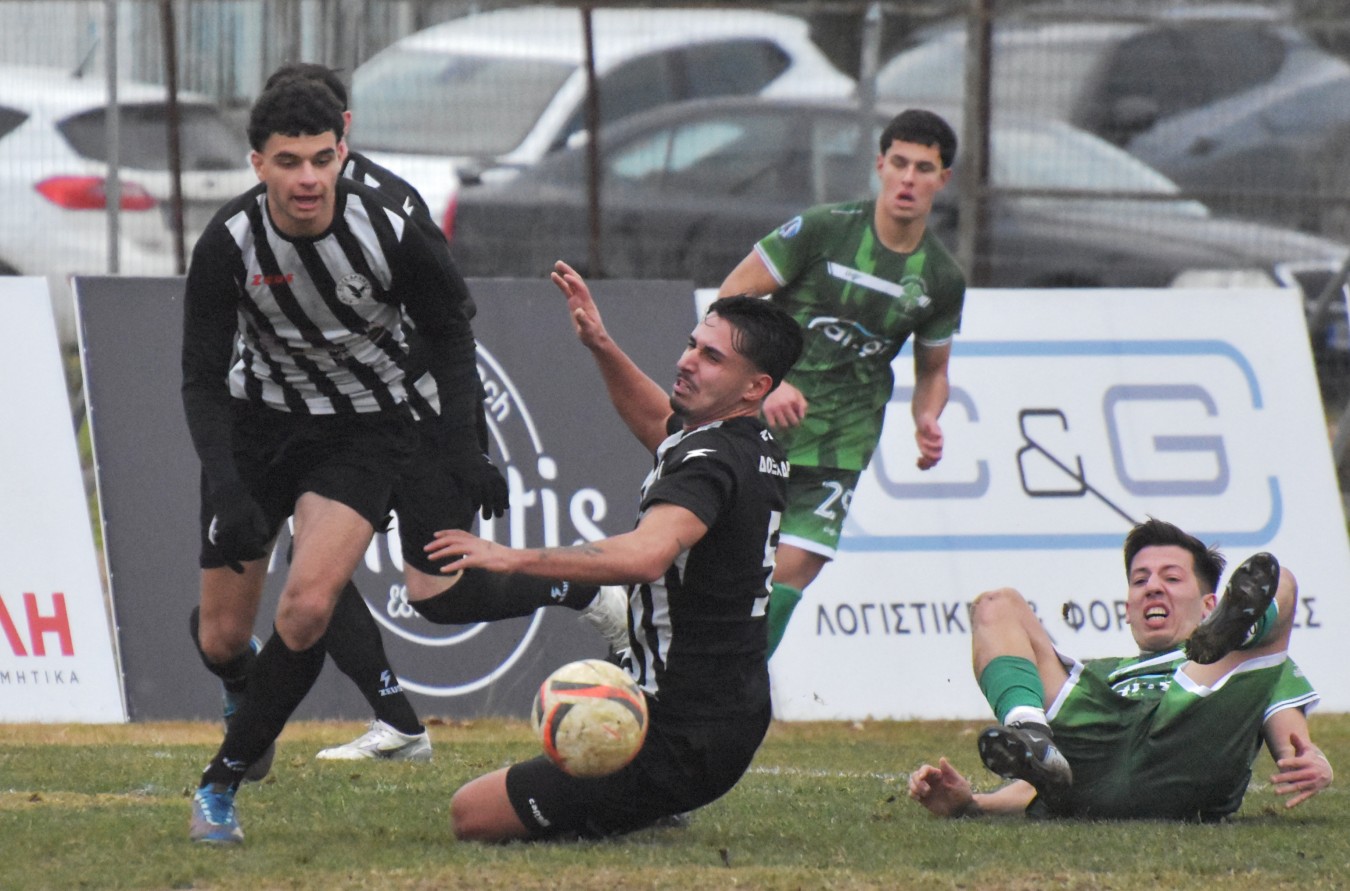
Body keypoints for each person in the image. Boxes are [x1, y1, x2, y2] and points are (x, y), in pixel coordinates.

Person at [182, 77, 484, 843]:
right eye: (289, 162)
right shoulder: (227, 241)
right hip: (258, 429)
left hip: (362, 432)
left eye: (322, 158)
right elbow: (201, 379)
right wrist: (227, 485)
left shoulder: (391, 229)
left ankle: (219, 786)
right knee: (221, 637)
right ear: (258, 164)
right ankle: (245, 687)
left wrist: (467, 448)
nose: (308, 178)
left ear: (343, 152)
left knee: (309, 606)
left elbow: (451, 332)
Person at [417, 260, 804, 840]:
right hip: (730, 715)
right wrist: (600, 344)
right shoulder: (748, 443)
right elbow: (658, 422)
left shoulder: (709, 462)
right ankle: (642, 801)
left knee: (470, 814)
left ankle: (642, 802)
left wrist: (511, 556)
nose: (686, 361)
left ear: (756, 387)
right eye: (692, 345)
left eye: (711, 357)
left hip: (679, 734)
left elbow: (646, 556)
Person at [717, 108, 966, 657]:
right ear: (880, 165)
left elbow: (933, 371)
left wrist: (927, 417)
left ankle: (736, 683)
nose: (908, 178)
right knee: (724, 562)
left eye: (923, 168)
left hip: (840, 442)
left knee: (795, 567)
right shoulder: (825, 229)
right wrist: (769, 380)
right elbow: (732, 295)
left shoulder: (942, 278)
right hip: (757, 424)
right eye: (899, 163)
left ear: (942, 179)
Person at [908, 518, 1333, 821]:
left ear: (1210, 605)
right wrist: (973, 804)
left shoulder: (1244, 665)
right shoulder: (1103, 675)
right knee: (994, 605)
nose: (1153, 587)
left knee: (1283, 581)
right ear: (1128, 609)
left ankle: (1236, 629)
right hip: (1097, 756)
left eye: (1171, 578)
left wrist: (1312, 760)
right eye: (1140, 580)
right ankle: (1032, 732)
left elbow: (1295, 748)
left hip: (1190, 738)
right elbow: (1042, 785)